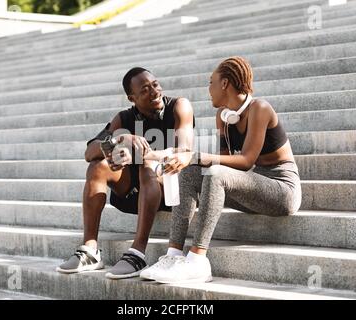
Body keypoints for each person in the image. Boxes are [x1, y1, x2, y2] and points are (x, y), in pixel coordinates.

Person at [141, 56, 302, 283]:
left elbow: (245, 161)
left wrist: (194, 155)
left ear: (224, 84)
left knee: (211, 171)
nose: (209, 89)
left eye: (211, 82)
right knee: (190, 170)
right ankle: (173, 254)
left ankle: (198, 261)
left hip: (281, 190)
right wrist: (179, 158)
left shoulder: (260, 109)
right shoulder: (223, 117)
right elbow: (224, 160)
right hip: (253, 186)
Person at [56, 67, 195, 279]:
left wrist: (144, 155)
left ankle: (138, 252)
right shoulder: (124, 118)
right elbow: (90, 151)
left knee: (146, 165)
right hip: (136, 193)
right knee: (97, 166)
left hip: (171, 190)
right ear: (132, 98)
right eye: (145, 90)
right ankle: (90, 250)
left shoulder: (179, 106)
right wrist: (120, 139)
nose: (154, 91)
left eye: (155, 84)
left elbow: (184, 151)